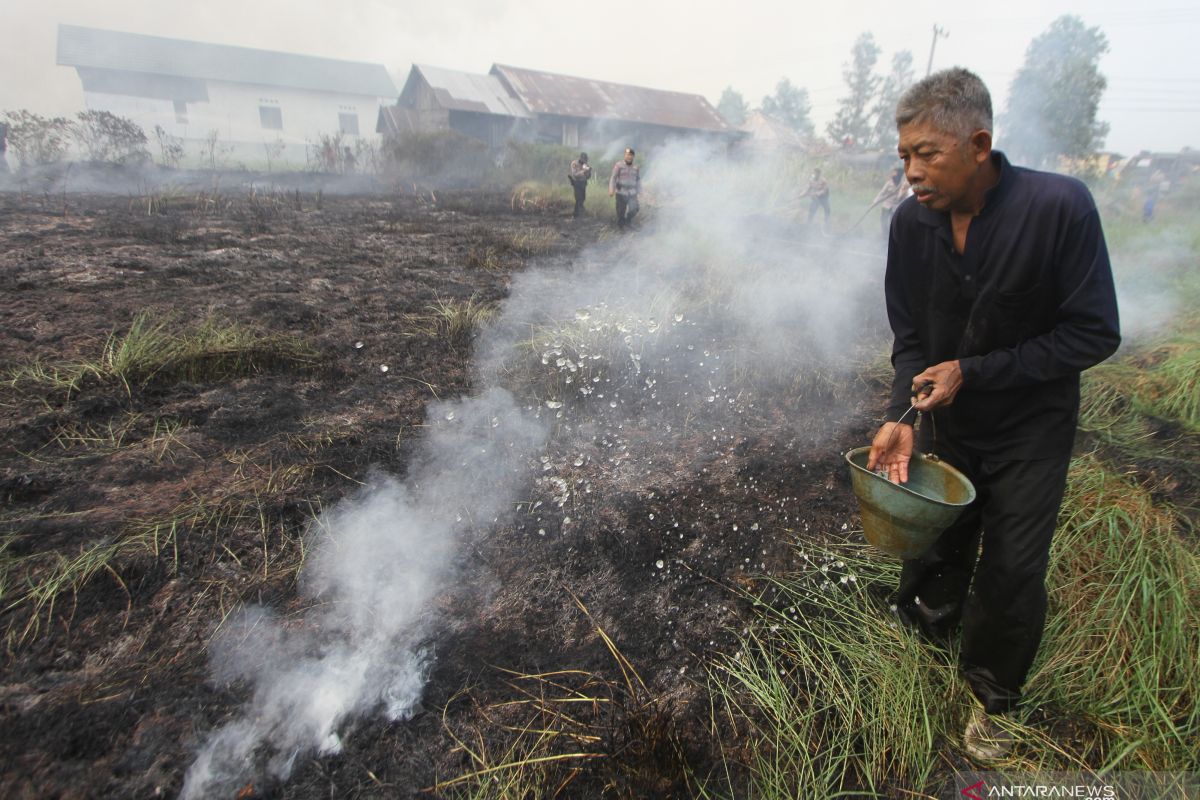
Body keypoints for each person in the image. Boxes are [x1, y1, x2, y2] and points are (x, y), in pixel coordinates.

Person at [865, 68, 1120, 763]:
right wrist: (903, 416)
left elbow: (1092, 333)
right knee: (938, 542)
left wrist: (973, 371)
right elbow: (912, 339)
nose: (912, 171)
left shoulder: (1059, 207)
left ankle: (991, 697)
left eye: (927, 154)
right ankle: (924, 646)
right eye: (904, 157)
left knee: (1011, 568)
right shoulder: (909, 226)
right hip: (948, 421)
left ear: (979, 143)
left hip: (1030, 430)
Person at [608, 147, 641, 228]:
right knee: (620, 212)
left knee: (635, 208)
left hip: (632, 193)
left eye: (631, 155)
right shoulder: (618, 165)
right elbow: (613, 177)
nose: (629, 157)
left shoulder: (636, 168)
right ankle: (621, 228)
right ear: (624, 156)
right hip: (621, 192)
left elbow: (638, 180)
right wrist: (611, 189)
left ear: (633, 156)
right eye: (627, 155)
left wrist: (640, 190)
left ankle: (628, 221)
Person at [873, 165, 910, 235]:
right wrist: (875, 201)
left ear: (899, 174)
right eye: (893, 172)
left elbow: (905, 197)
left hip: (896, 206)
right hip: (887, 204)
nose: (893, 174)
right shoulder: (889, 183)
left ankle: (892, 235)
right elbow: (882, 192)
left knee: (892, 221)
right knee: (883, 219)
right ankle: (884, 234)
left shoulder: (904, 184)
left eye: (895, 172)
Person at [568, 152, 592, 218]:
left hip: (583, 183)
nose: (585, 161)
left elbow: (588, 177)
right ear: (581, 158)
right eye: (584, 160)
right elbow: (575, 175)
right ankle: (578, 214)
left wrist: (589, 172)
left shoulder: (585, 165)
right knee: (578, 199)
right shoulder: (574, 163)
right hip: (576, 183)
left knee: (582, 198)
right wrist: (583, 171)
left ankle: (576, 213)